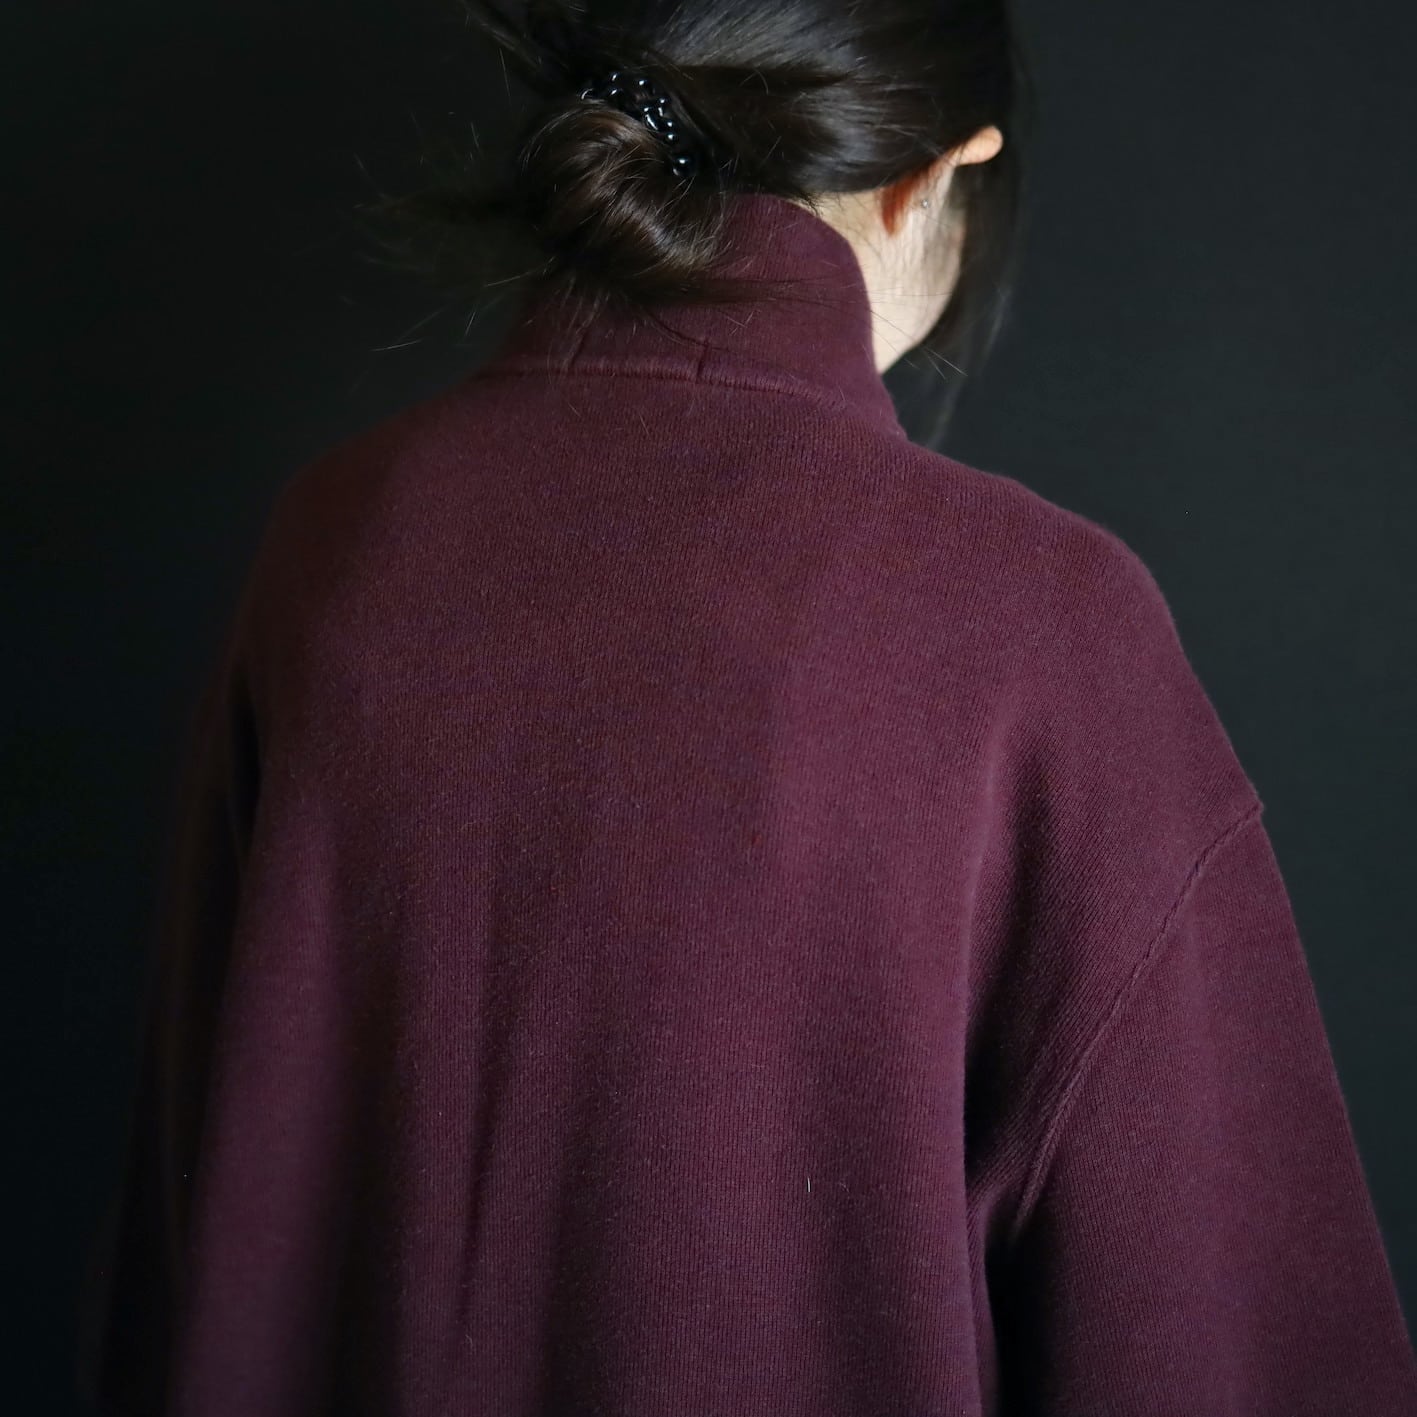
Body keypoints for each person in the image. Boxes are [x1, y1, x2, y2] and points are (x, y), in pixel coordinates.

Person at [79, 2, 1417, 1414]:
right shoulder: (1037, 620)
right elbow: (1221, 1335)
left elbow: (193, 1240)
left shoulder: (337, 545)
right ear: (937, 174)